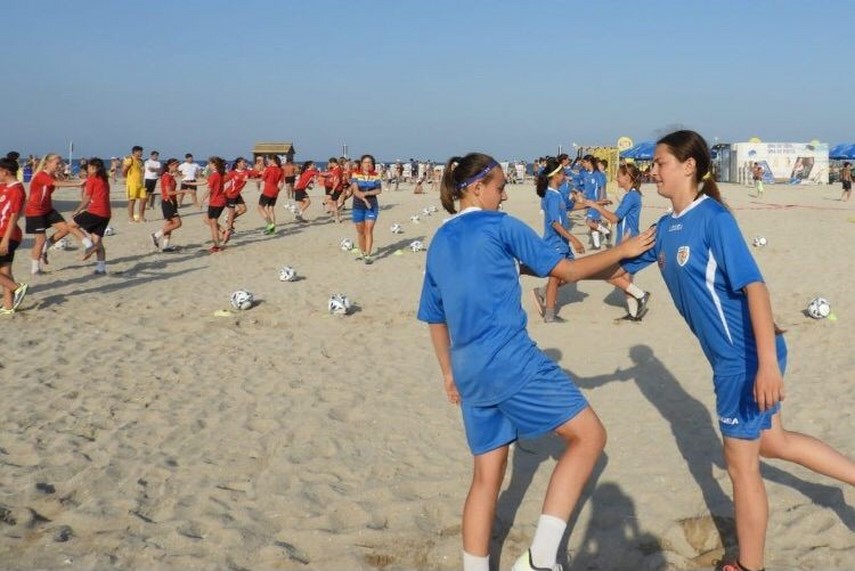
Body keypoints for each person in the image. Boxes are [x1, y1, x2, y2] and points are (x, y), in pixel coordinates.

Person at [615, 130, 855, 571]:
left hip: (746, 359)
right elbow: (615, 267)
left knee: (741, 468)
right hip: (743, 358)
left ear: (689, 166)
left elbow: (756, 289)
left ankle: (750, 565)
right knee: (774, 442)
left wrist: (766, 367)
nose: (653, 171)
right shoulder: (665, 228)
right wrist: (556, 267)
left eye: (660, 163)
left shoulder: (713, 218)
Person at [418, 152, 655, 571]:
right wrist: (625, 249)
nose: (505, 196)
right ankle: (541, 559)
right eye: (499, 187)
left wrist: (448, 373)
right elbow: (567, 272)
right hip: (510, 360)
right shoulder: (500, 225)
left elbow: (435, 318)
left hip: (469, 370)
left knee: (485, 478)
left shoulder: (439, 240)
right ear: (477, 188)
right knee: (589, 437)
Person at [581, 162, 651, 320]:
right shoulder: (632, 195)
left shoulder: (631, 196)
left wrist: (595, 206)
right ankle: (634, 313)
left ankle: (641, 295)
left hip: (628, 242)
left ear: (627, 177)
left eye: (619, 176)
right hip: (628, 240)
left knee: (609, 274)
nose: (616, 179)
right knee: (626, 279)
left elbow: (614, 218)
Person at [532, 157, 585, 322]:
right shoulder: (551, 196)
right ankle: (549, 314)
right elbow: (555, 223)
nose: (565, 176)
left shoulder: (558, 194)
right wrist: (574, 239)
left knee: (573, 274)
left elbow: (570, 207)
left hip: (562, 243)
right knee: (556, 278)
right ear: (554, 176)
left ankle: (542, 292)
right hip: (555, 243)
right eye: (562, 174)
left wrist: (593, 204)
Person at [26, 153, 88, 275]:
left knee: (66, 229)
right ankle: (35, 268)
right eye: (57, 163)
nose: (59, 165)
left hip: (48, 209)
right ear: (47, 163)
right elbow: (55, 184)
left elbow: (62, 181)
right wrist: (78, 184)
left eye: (60, 163)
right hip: (35, 211)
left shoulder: (52, 175)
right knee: (40, 240)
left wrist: (81, 181)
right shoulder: (41, 175)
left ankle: (45, 249)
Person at [68, 158, 112, 274]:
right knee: (98, 241)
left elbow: (87, 198)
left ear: (93, 168)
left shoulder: (92, 178)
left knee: (71, 225)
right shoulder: (104, 178)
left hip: (96, 211)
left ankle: (89, 245)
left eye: (88, 167)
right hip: (106, 214)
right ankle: (101, 268)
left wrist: (77, 210)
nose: (87, 169)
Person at [0, 157, 30, 314]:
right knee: (4, 271)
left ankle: (17, 288)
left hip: (8, 235)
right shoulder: (5, 187)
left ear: (5, 172)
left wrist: (5, 240)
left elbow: (14, 216)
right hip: (4, 233)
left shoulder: (17, 190)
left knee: (4, 271)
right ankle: (8, 306)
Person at [151, 158, 195, 252]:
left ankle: (165, 246)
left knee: (169, 224)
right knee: (178, 223)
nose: (177, 167)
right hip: (168, 202)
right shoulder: (167, 177)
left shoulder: (169, 176)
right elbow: (169, 192)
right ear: (170, 166)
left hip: (171, 201)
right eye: (176, 166)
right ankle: (156, 235)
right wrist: (184, 191)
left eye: (177, 166)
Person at [349, 154, 382, 264]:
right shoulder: (355, 174)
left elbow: (378, 190)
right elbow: (355, 191)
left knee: (368, 230)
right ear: (361, 164)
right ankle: (362, 252)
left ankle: (368, 255)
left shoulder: (376, 176)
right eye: (365, 162)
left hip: (372, 206)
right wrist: (365, 200)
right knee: (360, 232)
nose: (368, 164)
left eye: (370, 162)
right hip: (358, 205)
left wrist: (367, 193)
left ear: (372, 164)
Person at [201, 156, 226, 253]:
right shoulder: (220, 174)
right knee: (207, 220)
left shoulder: (214, 175)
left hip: (215, 202)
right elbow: (206, 183)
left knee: (213, 224)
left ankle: (217, 246)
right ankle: (223, 232)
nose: (208, 165)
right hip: (220, 201)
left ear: (214, 164)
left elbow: (209, 189)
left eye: (209, 164)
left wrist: (201, 200)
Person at [257, 155, 284, 234]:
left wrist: (248, 179)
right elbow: (282, 183)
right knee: (271, 209)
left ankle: (270, 224)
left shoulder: (269, 168)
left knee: (260, 208)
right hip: (275, 191)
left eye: (269, 160)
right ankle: (272, 230)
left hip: (267, 191)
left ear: (273, 160)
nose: (268, 161)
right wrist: (277, 191)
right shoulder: (281, 169)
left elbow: (262, 179)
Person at [122, 145, 146, 222]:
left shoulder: (141, 161)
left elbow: (141, 171)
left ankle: (141, 216)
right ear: (135, 152)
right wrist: (126, 178)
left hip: (140, 183)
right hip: (132, 184)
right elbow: (124, 170)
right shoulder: (130, 159)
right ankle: (131, 217)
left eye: (141, 152)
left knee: (143, 199)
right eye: (139, 152)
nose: (141, 153)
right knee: (132, 201)